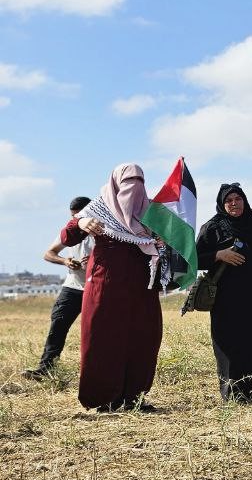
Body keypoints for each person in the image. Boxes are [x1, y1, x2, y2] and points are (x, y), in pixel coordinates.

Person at [62, 164, 166, 411]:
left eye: (138, 182)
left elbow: (175, 240)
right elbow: (67, 237)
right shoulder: (99, 207)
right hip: (104, 285)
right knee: (103, 337)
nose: (133, 187)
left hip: (142, 286)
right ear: (115, 183)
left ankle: (134, 397)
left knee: (143, 337)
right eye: (128, 181)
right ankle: (103, 398)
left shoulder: (152, 211)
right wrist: (82, 222)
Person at [197, 183, 252, 401]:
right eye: (229, 201)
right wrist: (219, 254)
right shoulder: (213, 227)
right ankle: (237, 392)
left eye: (238, 199)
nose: (234, 203)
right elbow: (194, 258)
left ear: (245, 201)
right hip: (228, 300)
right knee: (233, 343)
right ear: (222, 204)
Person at [23, 196, 94, 380]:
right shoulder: (70, 231)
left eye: (79, 215)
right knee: (58, 324)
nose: (76, 220)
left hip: (96, 289)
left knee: (98, 332)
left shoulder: (104, 231)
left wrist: (95, 262)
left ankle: (96, 374)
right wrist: (65, 261)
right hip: (72, 287)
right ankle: (46, 369)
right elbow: (49, 253)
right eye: (73, 216)